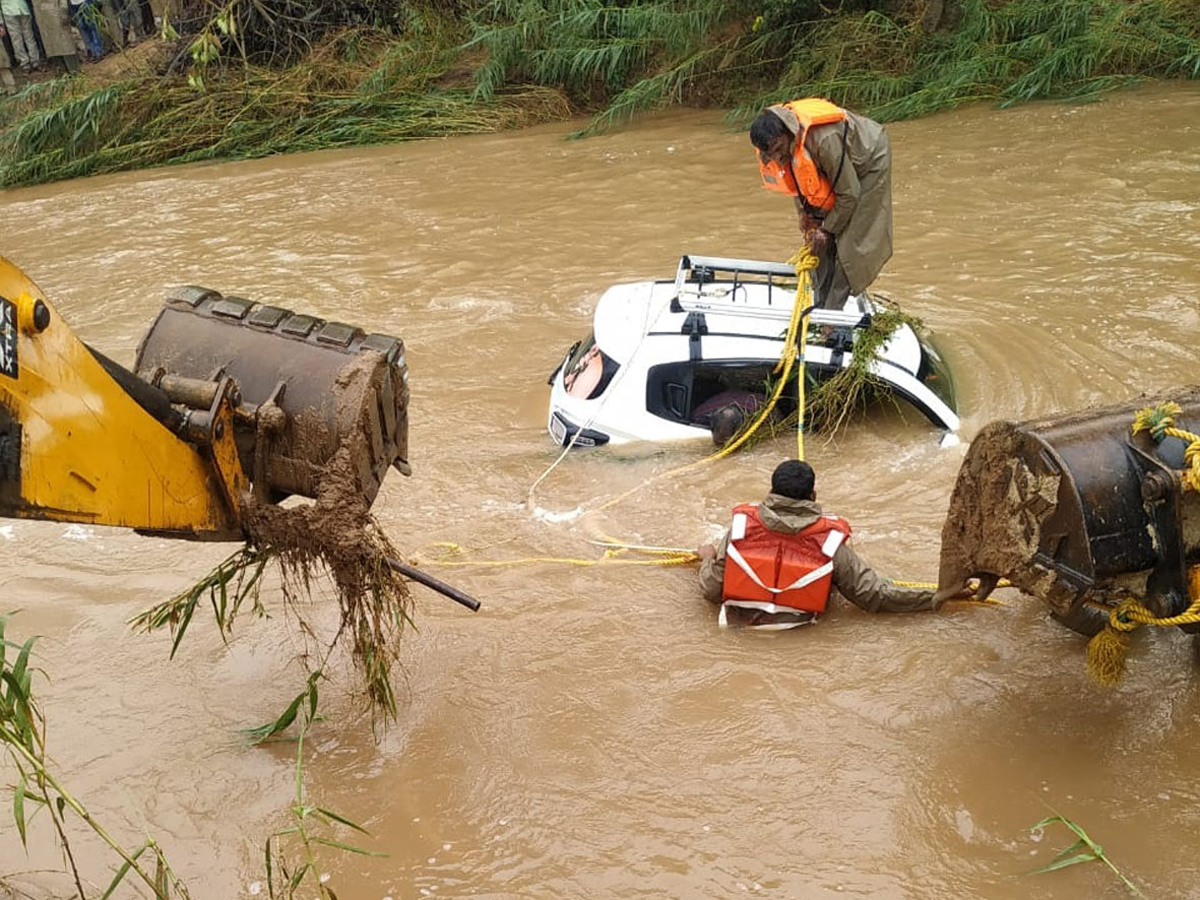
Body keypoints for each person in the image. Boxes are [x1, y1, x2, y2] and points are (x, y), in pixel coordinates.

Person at [698, 459, 942, 629]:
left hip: (737, 631)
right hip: (800, 632)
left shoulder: (740, 530)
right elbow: (875, 597)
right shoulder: (831, 544)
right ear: (813, 496)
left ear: (771, 491)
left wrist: (707, 558)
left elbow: (712, 590)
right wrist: (939, 595)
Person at [750, 99, 892, 311]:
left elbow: (849, 194)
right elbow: (798, 182)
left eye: (779, 150)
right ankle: (818, 302)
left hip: (869, 161)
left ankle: (832, 314)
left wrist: (827, 230)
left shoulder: (825, 140)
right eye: (771, 155)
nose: (778, 158)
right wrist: (805, 217)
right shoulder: (777, 148)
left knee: (850, 242)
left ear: (786, 134)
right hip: (833, 167)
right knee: (814, 238)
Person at [0, 0, 41, 70]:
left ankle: (24, 62)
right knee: (29, 36)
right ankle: (34, 60)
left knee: (16, 38)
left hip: (9, 12)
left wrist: (1, 23)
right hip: (23, 9)